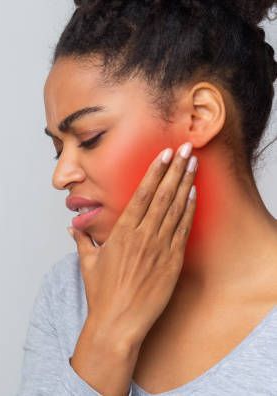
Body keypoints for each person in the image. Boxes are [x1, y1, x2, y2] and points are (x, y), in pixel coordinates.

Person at [17, 1, 277, 395]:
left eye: (89, 138)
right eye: (58, 148)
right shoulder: (68, 297)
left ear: (200, 116)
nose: (61, 175)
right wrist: (107, 335)